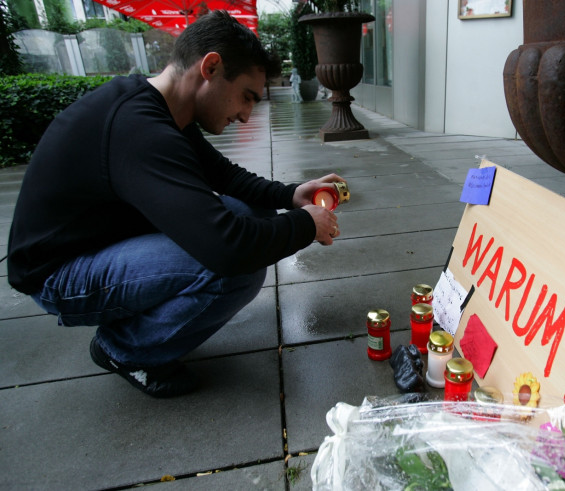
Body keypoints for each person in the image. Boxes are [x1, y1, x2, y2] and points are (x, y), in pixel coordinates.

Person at [6, 11, 344, 398]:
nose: (247, 115)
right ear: (211, 67)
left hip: (100, 240)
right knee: (236, 269)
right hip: (59, 273)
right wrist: (305, 224)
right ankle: (124, 348)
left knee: (253, 214)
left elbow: (226, 176)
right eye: (247, 96)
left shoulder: (162, 108)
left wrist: (291, 195)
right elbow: (228, 249)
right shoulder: (141, 129)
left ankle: (137, 322)